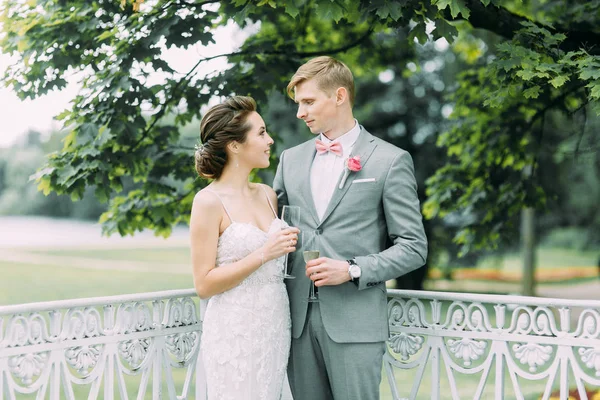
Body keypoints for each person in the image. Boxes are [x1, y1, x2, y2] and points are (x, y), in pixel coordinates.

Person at [273, 56, 428, 400]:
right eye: (298, 103)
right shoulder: (290, 160)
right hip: (295, 324)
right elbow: (271, 229)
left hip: (356, 324)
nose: (300, 112)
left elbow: (414, 247)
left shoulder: (389, 160)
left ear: (339, 96)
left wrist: (353, 269)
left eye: (308, 101)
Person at [190, 96, 299, 399]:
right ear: (235, 145)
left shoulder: (268, 194)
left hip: (276, 323)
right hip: (234, 330)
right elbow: (204, 283)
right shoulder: (208, 202)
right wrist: (265, 252)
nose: (270, 140)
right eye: (261, 133)